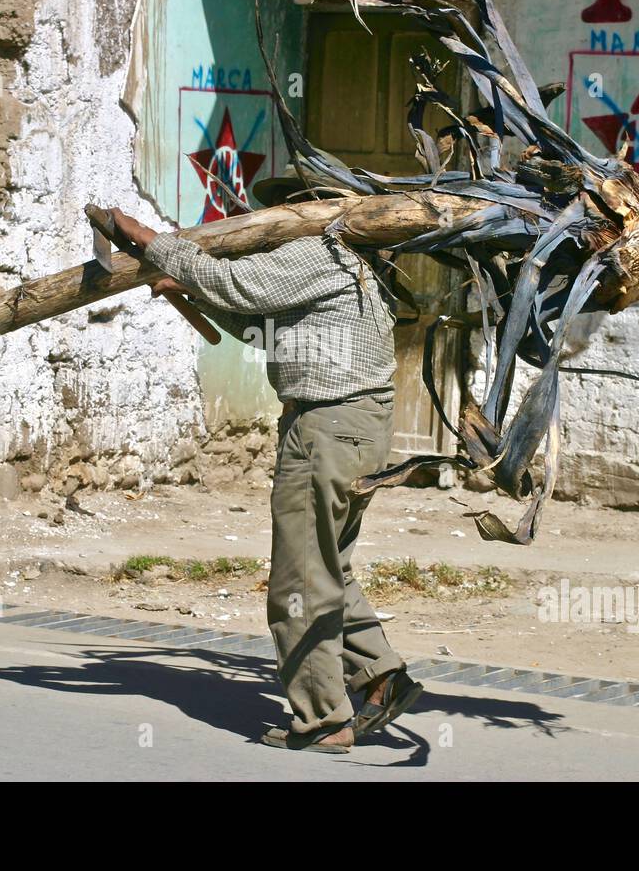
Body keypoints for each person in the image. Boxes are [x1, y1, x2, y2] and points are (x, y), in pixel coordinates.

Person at [110, 206, 423, 754]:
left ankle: (323, 718)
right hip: (357, 427)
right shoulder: (353, 264)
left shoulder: (320, 251)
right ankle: (378, 674)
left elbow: (238, 284)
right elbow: (263, 327)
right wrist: (190, 290)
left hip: (326, 427)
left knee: (299, 580)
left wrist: (148, 239)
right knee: (326, 565)